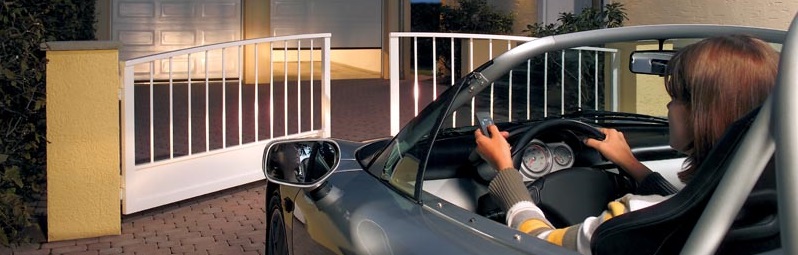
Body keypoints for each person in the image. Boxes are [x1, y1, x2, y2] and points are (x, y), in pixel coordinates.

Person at [474, 34, 779, 254]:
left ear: (705, 114)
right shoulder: (770, 204)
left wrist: (505, 169)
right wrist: (631, 165)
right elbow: (688, 205)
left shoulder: (631, 216)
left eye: (675, 99)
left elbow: (540, 239)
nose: (669, 108)